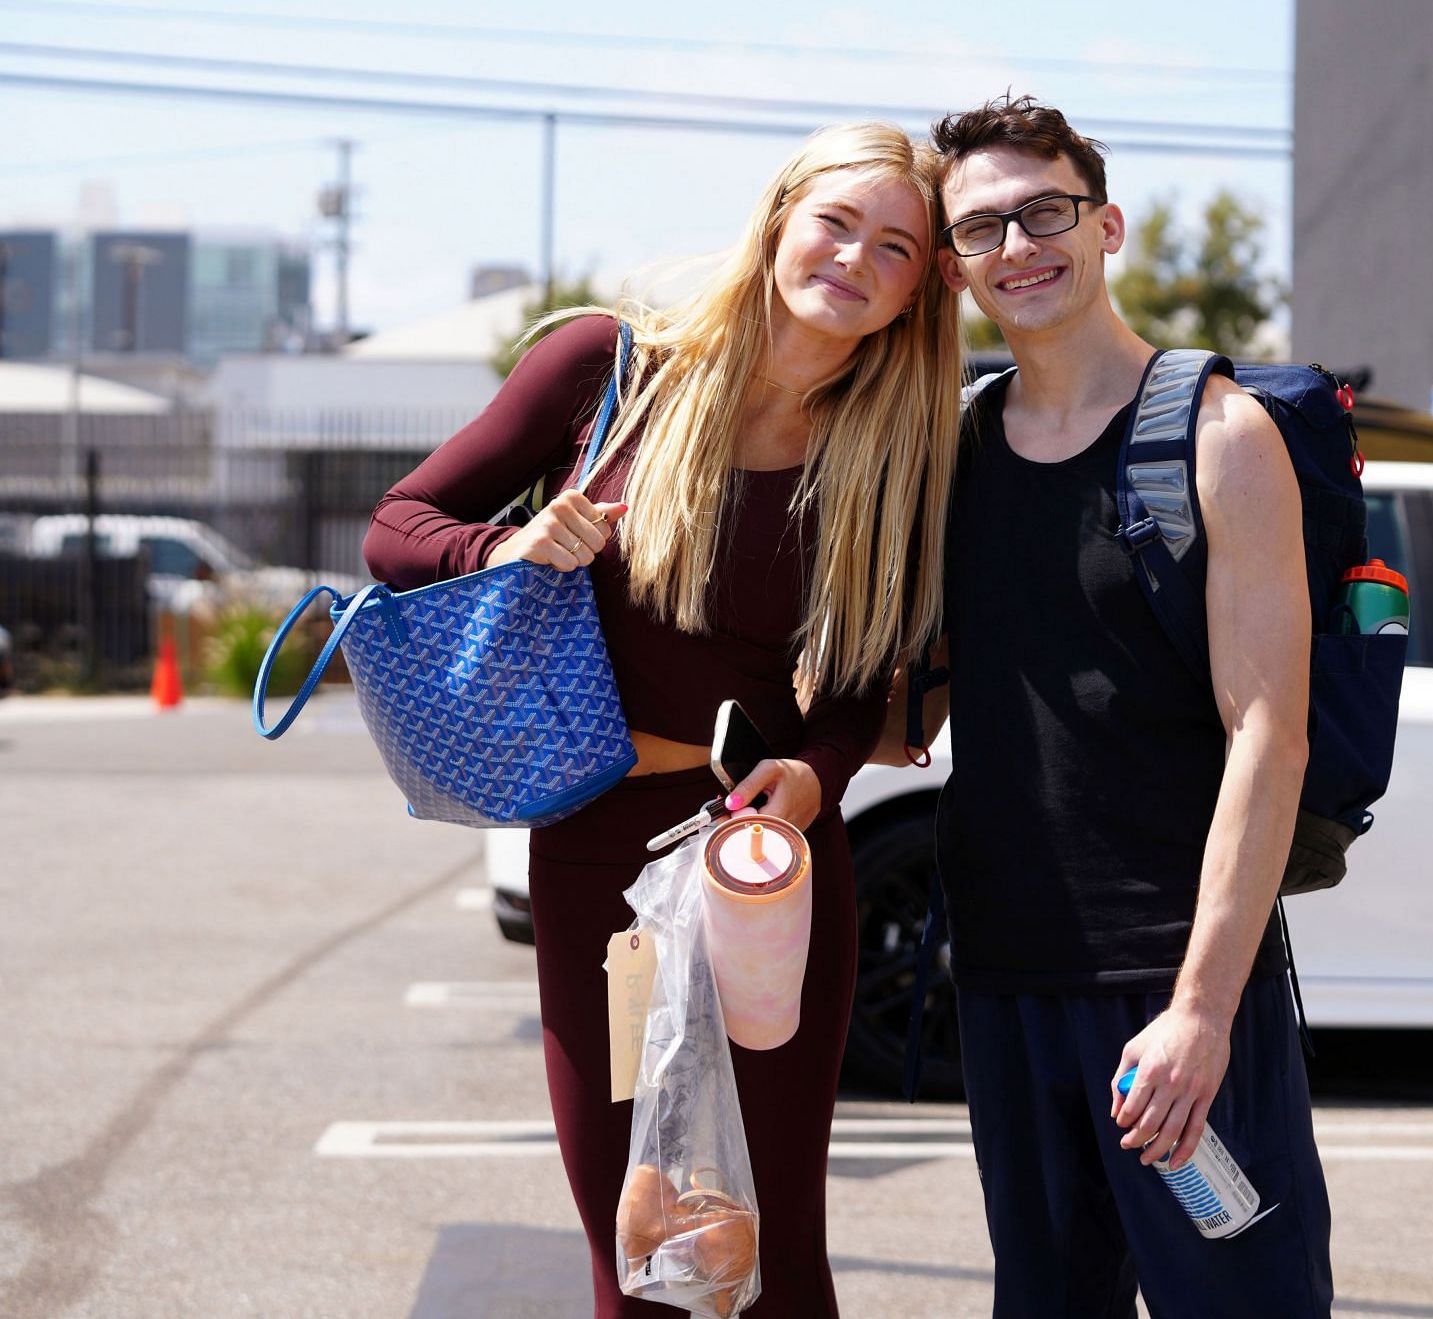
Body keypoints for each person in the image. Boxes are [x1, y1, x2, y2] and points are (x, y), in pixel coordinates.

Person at [364, 122, 962, 1319]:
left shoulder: (893, 451)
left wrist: (818, 777)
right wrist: (509, 545)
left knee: (774, 1250)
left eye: (894, 248)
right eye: (837, 221)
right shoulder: (613, 370)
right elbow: (397, 528)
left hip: (766, 870)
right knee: (639, 1249)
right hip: (599, 860)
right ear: (782, 217)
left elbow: (856, 687)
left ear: (912, 295)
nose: (853, 257)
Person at [909, 95, 1333, 1316]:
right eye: (983, 228)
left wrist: (1199, 1011)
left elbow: (1273, 731)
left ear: (1109, 229)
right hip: (1006, 978)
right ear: (954, 268)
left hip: (1176, 982)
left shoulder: (1218, 437)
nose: (1018, 246)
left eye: (1046, 212)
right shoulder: (958, 449)